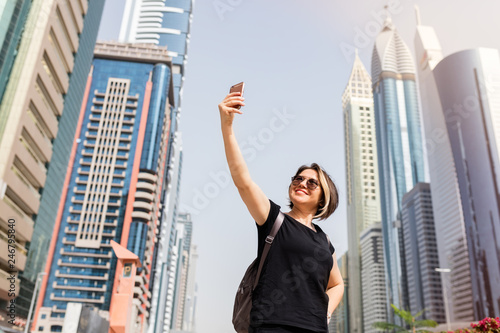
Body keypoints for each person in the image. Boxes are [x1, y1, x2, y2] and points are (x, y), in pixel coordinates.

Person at [219, 91, 344, 333]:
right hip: (271, 326)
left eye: (311, 182)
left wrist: (326, 311)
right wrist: (227, 126)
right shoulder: (273, 219)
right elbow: (243, 181)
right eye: (298, 178)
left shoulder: (324, 240)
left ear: (324, 198)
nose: (302, 183)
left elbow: (337, 284)